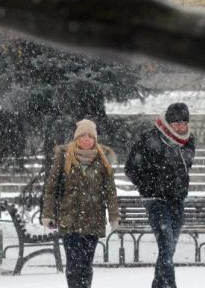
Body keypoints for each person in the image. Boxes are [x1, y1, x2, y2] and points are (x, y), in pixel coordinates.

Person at [125, 102, 196, 288]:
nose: (180, 126)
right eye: (176, 122)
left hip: (177, 200)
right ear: (168, 122)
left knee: (169, 249)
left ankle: (158, 285)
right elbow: (131, 168)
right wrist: (149, 187)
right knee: (166, 245)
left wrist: (179, 187)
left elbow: (184, 169)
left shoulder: (189, 141)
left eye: (183, 122)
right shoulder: (149, 138)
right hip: (155, 200)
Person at [42, 119, 120, 288]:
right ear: (76, 138)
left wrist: (114, 216)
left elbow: (110, 192)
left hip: (93, 220)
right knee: (73, 263)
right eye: (83, 135)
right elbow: (51, 189)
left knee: (86, 264)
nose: (86, 139)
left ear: (95, 139)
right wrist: (48, 214)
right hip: (69, 219)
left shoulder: (102, 161)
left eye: (90, 136)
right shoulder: (64, 158)